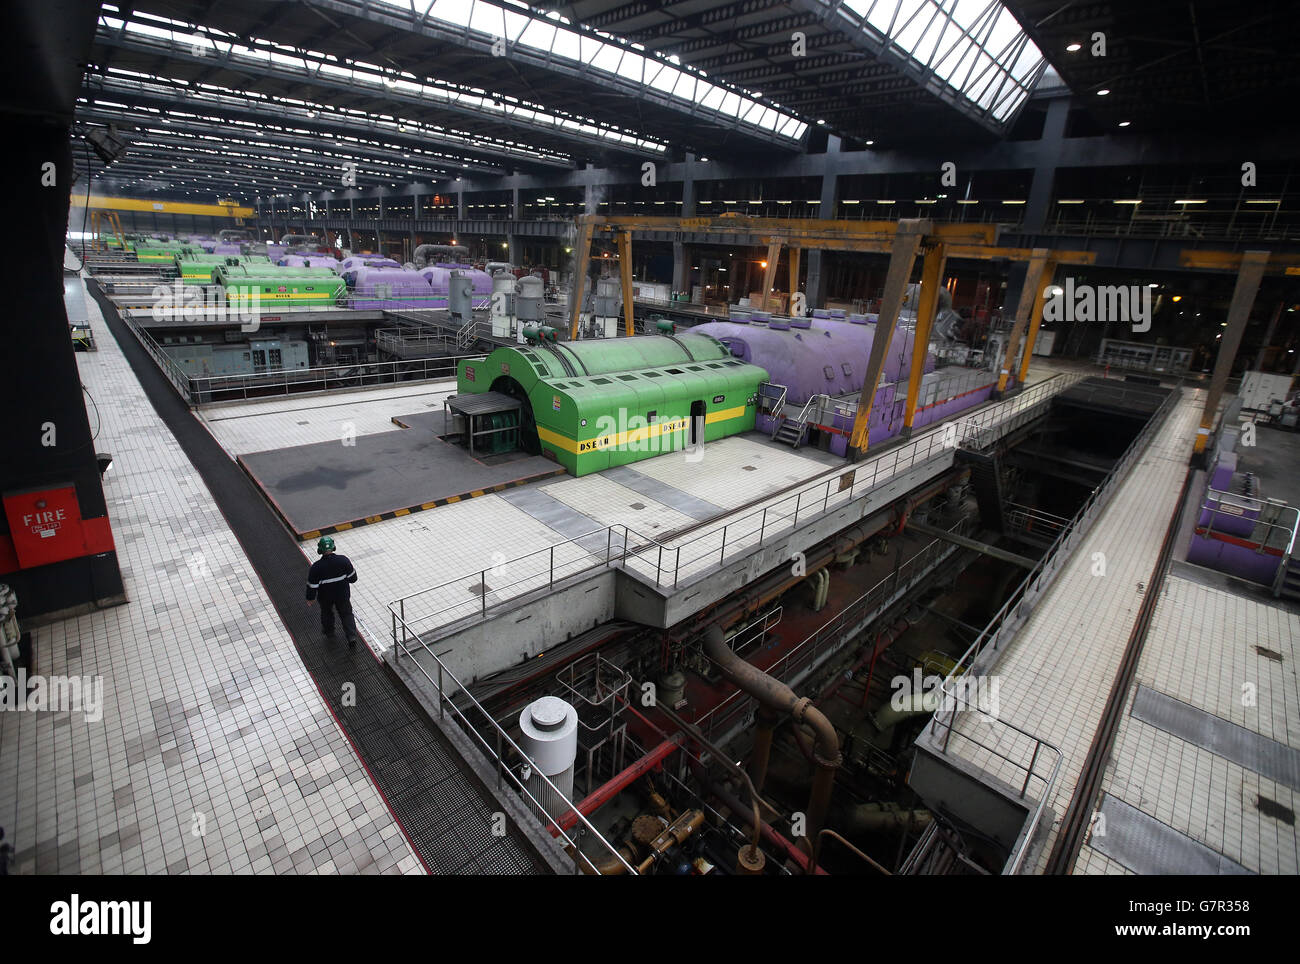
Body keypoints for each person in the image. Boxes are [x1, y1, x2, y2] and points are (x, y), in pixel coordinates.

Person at [306, 536, 359, 648]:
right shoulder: (343, 560)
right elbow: (353, 578)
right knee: (346, 614)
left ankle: (329, 633)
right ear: (333, 547)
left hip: (325, 597)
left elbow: (312, 586)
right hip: (342, 595)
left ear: (319, 550)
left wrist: (310, 598)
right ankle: (351, 637)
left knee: (326, 613)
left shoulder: (316, 567)